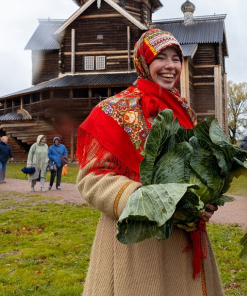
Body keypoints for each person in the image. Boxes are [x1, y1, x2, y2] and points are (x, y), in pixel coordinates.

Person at [76, 29, 223, 296]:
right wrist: (152, 202)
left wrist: (203, 201)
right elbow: (91, 179)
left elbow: (197, 171)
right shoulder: (113, 111)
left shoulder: (185, 111)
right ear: (144, 62)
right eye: (160, 58)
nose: (170, 66)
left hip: (184, 238)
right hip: (137, 242)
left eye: (176, 58)